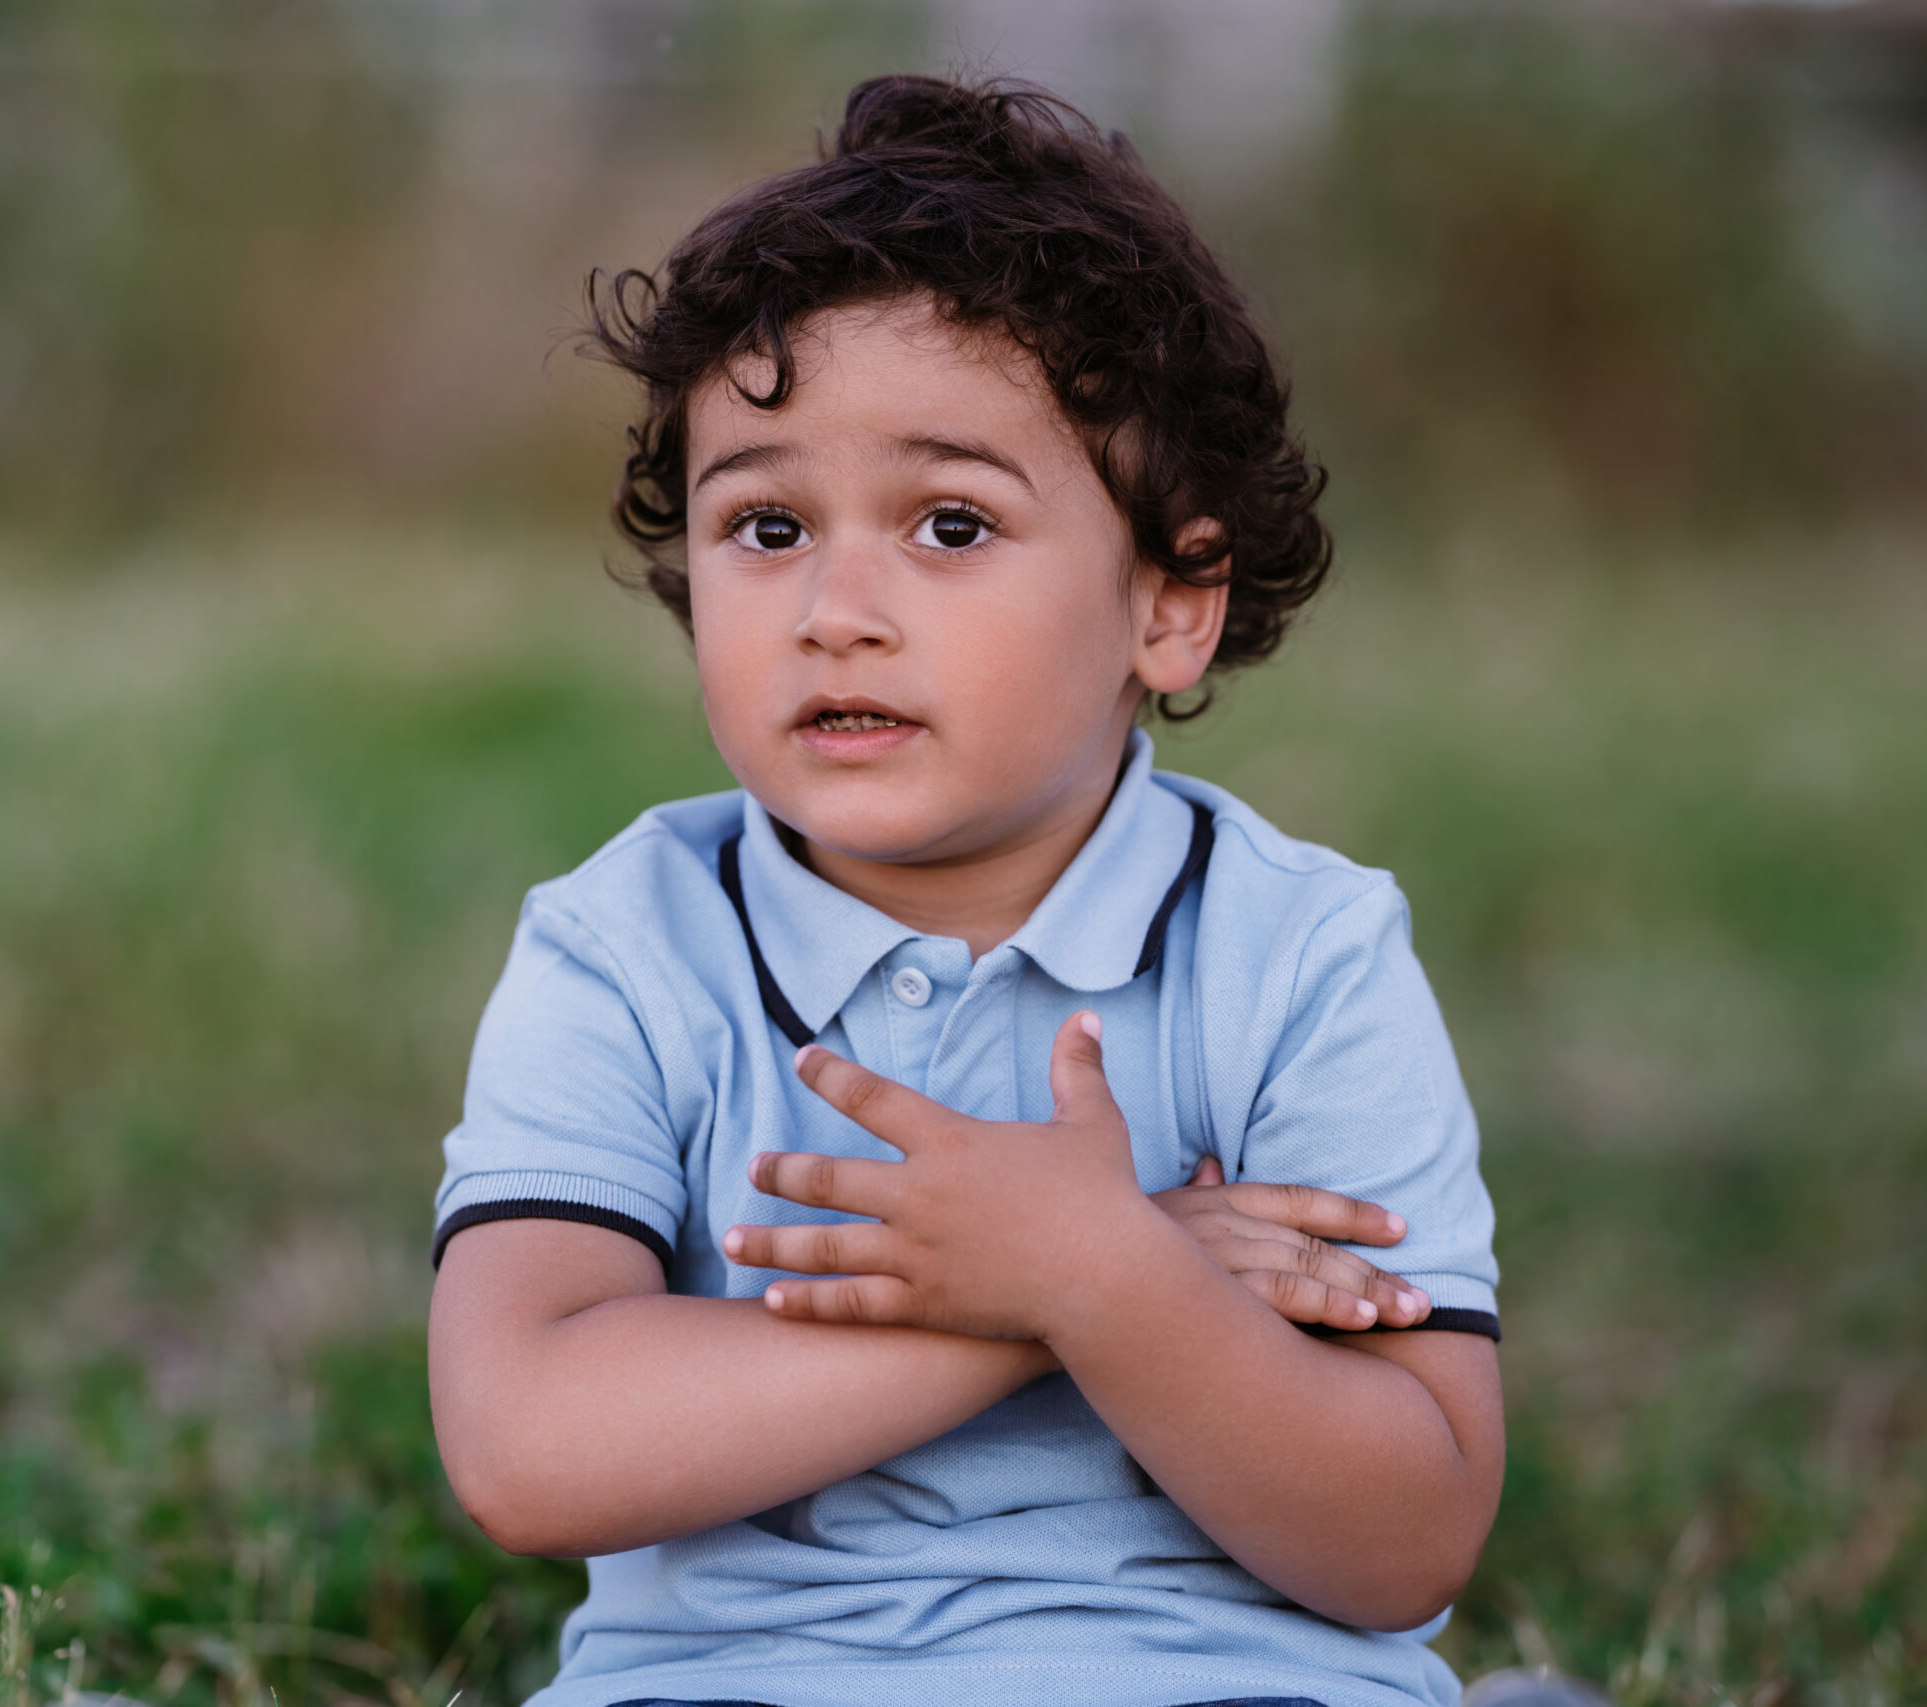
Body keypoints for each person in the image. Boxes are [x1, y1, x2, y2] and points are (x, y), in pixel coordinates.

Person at [426, 74, 1552, 1707]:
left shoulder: (1300, 954)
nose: (836, 606)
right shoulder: (626, 949)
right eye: (765, 524)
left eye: (950, 522)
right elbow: (528, 1447)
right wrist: (1069, 1285)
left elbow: (1407, 1532)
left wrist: (1096, 1276)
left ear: (1172, 603)